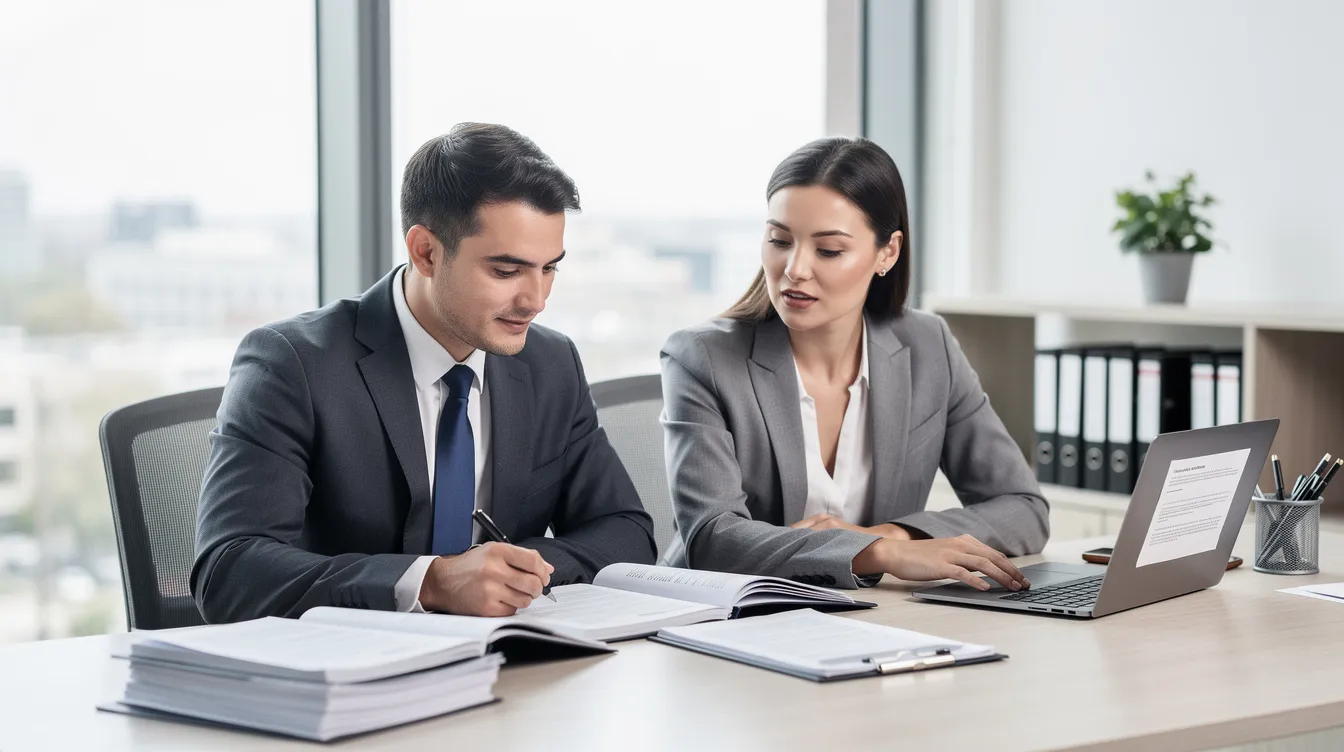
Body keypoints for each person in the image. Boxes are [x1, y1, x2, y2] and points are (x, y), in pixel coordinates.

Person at [192, 123, 656, 622]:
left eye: (549, 269)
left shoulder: (550, 363)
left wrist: (519, 576)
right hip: (349, 671)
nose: (536, 301)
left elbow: (626, 531)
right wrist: (430, 582)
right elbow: (228, 571)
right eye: (506, 271)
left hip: (508, 665)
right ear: (426, 252)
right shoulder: (293, 364)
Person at [659, 136, 1047, 591]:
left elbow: (1023, 508)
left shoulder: (927, 346)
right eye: (779, 240)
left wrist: (895, 535)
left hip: (870, 616)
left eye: (828, 250)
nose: (795, 269)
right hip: (722, 619)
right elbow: (713, 538)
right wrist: (876, 554)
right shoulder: (702, 358)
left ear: (888, 252)